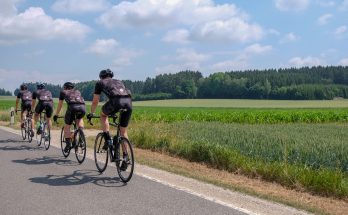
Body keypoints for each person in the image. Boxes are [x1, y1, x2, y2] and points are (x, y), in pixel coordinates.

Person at [87, 69, 132, 169]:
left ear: (101, 76)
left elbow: (95, 101)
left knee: (103, 115)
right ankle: (126, 157)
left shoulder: (100, 83)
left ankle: (108, 138)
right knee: (123, 131)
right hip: (128, 102)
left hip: (116, 101)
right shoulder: (119, 81)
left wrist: (91, 113)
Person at [53, 82, 86, 152]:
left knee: (67, 126)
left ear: (65, 87)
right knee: (79, 119)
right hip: (82, 107)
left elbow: (60, 105)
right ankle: (81, 136)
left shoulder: (63, 92)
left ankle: (68, 144)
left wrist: (56, 115)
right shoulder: (77, 91)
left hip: (72, 107)